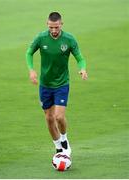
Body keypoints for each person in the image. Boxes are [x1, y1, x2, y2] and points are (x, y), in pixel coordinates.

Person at [26, 12, 87, 156]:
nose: (53, 30)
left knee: (59, 117)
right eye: (51, 27)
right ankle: (58, 147)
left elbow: (79, 57)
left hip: (62, 83)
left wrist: (82, 68)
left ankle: (64, 140)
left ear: (61, 24)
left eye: (56, 27)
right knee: (48, 118)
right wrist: (31, 70)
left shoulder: (69, 39)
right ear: (47, 24)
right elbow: (29, 53)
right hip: (45, 85)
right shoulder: (41, 38)